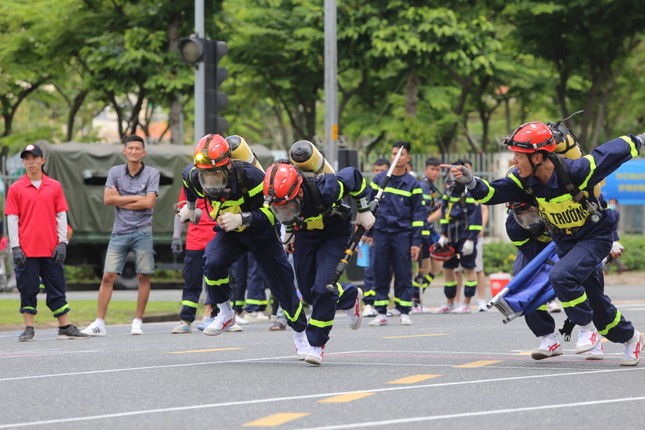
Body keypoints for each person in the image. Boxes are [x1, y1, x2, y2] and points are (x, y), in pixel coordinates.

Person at [447, 122, 645, 366]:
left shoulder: (576, 171)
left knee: (561, 276)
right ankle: (632, 337)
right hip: (565, 241)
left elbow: (610, 153)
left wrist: (639, 140)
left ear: (538, 157)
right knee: (598, 305)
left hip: (594, 237)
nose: (514, 162)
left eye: (519, 156)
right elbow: (493, 193)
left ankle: (587, 330)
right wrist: (472, 183)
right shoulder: (524, 181)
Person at [178, 134, 309, 356]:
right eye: (205, 175)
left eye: (215, 175)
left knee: (283, 285)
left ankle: (301, 335)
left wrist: (243, 219)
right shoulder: (193, 175)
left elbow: (273, 214)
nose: (210, 181)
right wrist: (190, 207)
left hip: (261, 234)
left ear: (227, 165)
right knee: (212, 262)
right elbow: (189, 185)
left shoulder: (251, 176)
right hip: (230, 232)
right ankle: (225, 313)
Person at [263, 157, 374, 365]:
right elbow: (284, 216)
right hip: (304, 234)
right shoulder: (276, 195)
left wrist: (364, 208)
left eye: (288, 205)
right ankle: (349, 296)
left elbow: (355, 177)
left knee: (323, 288)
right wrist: (289, 233)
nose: (284, 209)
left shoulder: (327, 188)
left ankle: (316, 344)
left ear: (300, 192)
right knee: (309, 293)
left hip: (334, 233)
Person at [5, 143, 88, 341]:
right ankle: (28, 328)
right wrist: (15, 247)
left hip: (51, 248)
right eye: (27, 158)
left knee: (57, 286)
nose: (31, 162)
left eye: (34, 158)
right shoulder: (16, 188)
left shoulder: (54, 186)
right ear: (23, 162)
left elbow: (61, 215)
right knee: (28, 287)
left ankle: (65, 326)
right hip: (26, 249)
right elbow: (12, 219)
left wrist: (62, 243)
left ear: (43, 160)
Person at [82, 135, 160, 336]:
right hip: (119, 231)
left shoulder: (152, 173)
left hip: (143, 231)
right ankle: (99, 322)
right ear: (124, 151)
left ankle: (137, 321)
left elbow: (149, 203)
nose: (134, 151)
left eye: (138, 148)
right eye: (130, 148)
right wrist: (136, 197)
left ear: (144, 152)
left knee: (143, 275)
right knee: (108, 276)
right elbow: (107, 200)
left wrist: (120, 198)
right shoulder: (115, 172)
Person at [366, 141, 424, 326]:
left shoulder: (413, 184)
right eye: (394, 153)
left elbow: (418, 215)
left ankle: (404, 311)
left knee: (403, 272)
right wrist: (368, 232)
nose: (396, 157)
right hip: (381, 233)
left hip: (402, 234)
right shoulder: (379, 180)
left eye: (401, 154)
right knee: (380, 271)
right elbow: (369, 207)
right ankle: (381, 312)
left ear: (408, 158)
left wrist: (416, 242)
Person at [435, 160, 482, 314]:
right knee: (448, 269)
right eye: (452, 171)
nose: (454, 175)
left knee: (469, 268)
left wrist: (471, 238)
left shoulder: (470, 192)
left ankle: (467, 304)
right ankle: (450, 303)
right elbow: (444, 214)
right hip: (450, 237)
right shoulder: (449, 191)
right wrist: (443, 234)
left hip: (465, 236)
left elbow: (476, 217)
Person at [412, 156, 443, 312]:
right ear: (426, 169)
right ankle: (415, 300)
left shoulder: (430, 186)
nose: (435, 172)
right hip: (423, 232)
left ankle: (416, 295)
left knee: (436, 265)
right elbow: (422, 212)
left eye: (438, 170)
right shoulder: (424, 186)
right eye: (432, 169)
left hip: (428, 231)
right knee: (424, 267)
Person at [362, 158, 390, 318]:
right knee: (368, 270)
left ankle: (381, 302)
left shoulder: (391, 189)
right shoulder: (371, 188)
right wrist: (367, 233)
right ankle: (368, 303)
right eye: (376, 170)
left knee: (384, 271)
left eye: (382, 171)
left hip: (383, 235)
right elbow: (365, 211)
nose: (379, 174)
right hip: (368, 235)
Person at [604, 198, 628, 273]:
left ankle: (618, 267)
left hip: (611, 234)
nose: (611, 204)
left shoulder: (615, 213)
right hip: (607, 234)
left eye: (613, 203)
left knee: (610, 252)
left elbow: (611, 224)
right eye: (610, 202)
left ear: (616, 204)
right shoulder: (608, 211)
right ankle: (608, 269)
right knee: (609, 252)